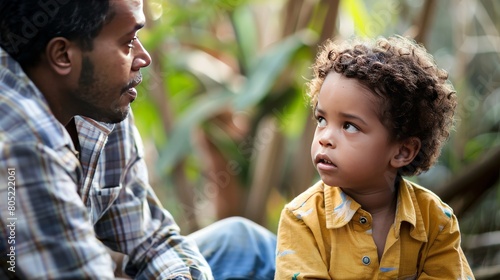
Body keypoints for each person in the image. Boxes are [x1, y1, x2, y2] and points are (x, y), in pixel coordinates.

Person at [0, 1, 276, 279]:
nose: (144, 57)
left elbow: (149, 237)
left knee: (243, 242)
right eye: (128, 42)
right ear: (63, 55)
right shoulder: (18, 142)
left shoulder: (97, 97)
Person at [274, 35, 475, 279]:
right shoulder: (302, 219)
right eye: (321, 119)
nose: (325, 137)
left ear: (402, 151)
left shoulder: (436, 221)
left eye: (349, 126)